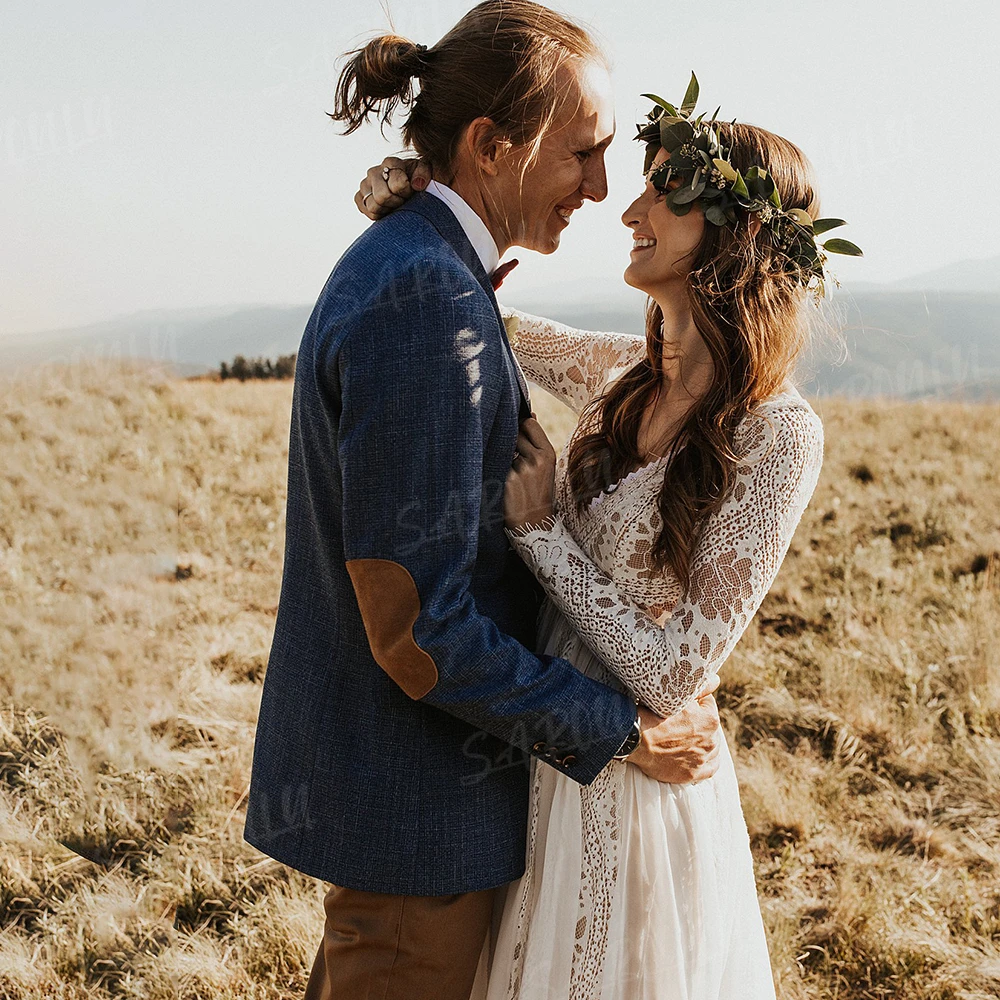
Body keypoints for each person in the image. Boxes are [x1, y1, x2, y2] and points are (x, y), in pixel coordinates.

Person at [242, 5, 722, 1000]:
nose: (601, 185)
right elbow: (418, 626)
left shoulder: (431, 272)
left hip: (417, 817)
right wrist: (621, 730)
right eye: (583, 153)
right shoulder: (425, 300)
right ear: (490, 145)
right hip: (417, 824)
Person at [357, 69, 860, 997]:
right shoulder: (622, 369)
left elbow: (675, 675)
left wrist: (545, 531)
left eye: (664, 186)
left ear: (737, 228)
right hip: (543, 756)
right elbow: (469, 312)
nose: (628, 205)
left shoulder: (779, 433)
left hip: (638, 791)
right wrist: (412, 204)